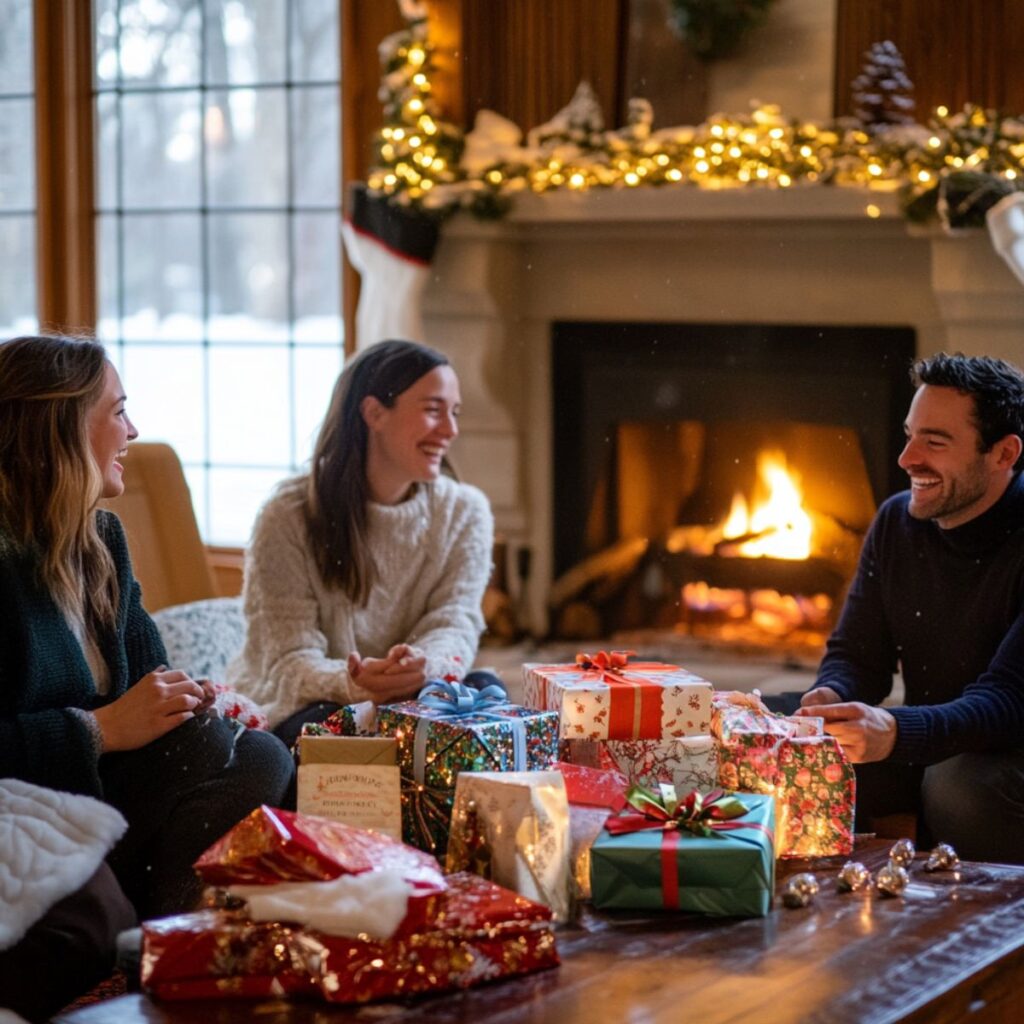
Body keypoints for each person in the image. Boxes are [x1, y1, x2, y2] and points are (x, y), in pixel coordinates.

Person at [0, 335, 295, 923]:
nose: (133, 431)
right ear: (58, 427)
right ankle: (152, 934)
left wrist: (183, 699)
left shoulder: (102, 542)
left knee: (265, 753)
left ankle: (160, 930)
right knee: (211, 745)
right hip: (26, 810)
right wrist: (100, 729)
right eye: (117, 411)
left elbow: (150, 681)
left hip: (96, 801)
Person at [797, 352, 1024, 863]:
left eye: (935, 442)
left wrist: (895, 733)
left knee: (957, 787)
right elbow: (859, 656)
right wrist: (826, 701)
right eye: (909, 434)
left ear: (1003, 454)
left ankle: (997, 926)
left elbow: (1008, 701)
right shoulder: (897, 522)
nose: (907, 458)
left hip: (1009, 747)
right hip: (946, 734)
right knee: (779, 725)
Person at [228, 339, 495, 748]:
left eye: (454, 413)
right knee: (329, 728)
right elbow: (289, 660)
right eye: (432, 410)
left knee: (486, 693)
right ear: (374, 412)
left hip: (420, 693)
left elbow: (454, 621)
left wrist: (426, 667)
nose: (450, 430)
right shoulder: (287, 516)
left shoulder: (466, 512)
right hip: (313, 702)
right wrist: (355, 683)